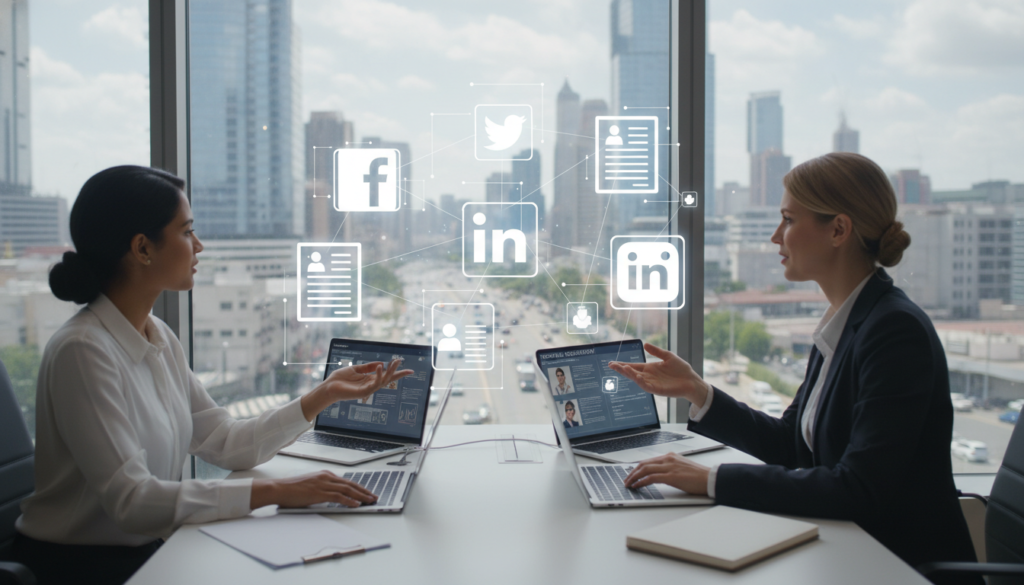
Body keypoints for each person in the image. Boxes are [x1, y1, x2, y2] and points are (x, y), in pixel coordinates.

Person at [14, 166, 414, 585]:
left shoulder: (157, 336)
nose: (198, 245)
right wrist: (275, 492)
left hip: (145, 550)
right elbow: (132, 502)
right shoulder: (82, 351)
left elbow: (224, 443)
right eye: (187, 232)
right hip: (78, 568)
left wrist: (320, 398)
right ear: (142, 248)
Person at [610, 153, 977, 581]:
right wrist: (698, 391)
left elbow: (858, 488)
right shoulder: (845, 322)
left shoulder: (895, 331)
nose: (774, 236)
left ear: (838, 230)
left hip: (896, 567)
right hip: (845, 553)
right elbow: (791, 446)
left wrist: (711, 480)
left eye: (787, 220)